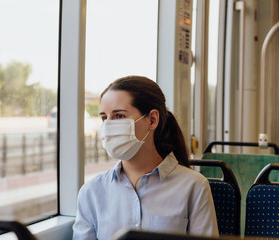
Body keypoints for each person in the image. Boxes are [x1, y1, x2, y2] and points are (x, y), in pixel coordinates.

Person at [72, 76, 219, 240]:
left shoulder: (193, 187)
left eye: (119, 116)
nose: (108, 126)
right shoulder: (91, 192)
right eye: (104, 118)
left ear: (152, 120)